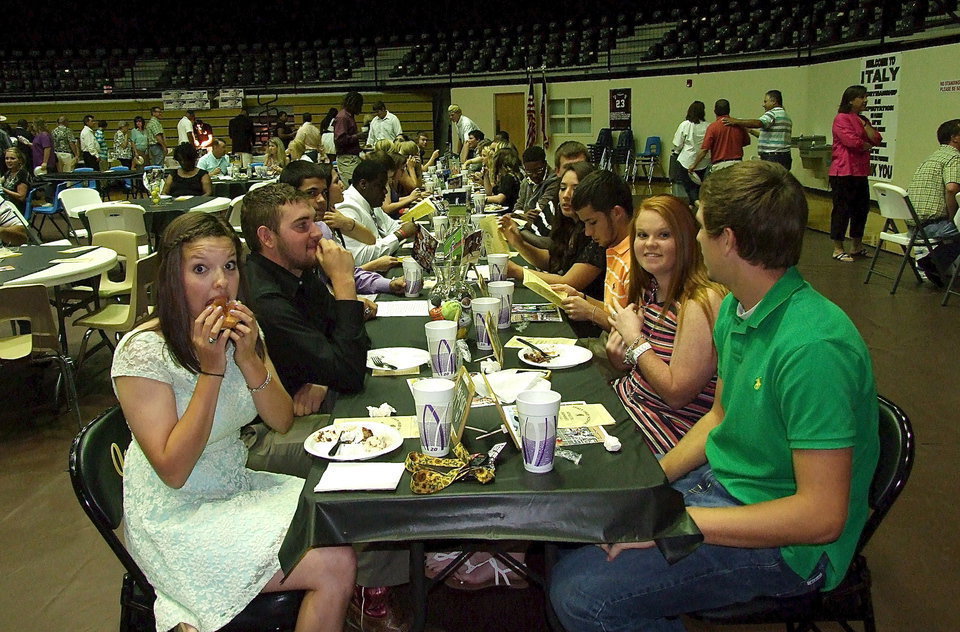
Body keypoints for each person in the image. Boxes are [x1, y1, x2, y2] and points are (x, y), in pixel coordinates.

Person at [550, 160, 879, 632]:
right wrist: (647, 483)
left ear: (729, 241)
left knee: (581, 596)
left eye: (701, 226)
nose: (695, 238)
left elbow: (820, 516)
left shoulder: (814, 348)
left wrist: (680, 521)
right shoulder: (739, 310)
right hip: (722, 487)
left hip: (789, 547)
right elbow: (719, 416)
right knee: (574, 524)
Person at [111, 211, 356, 632]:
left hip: (234, 487)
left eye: (229, 267)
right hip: (177, 514)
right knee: (334, 561)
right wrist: (211, 371)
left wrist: (247, 357)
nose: (221, 283)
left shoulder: (241, 325)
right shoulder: (142, 353)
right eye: (201, 269)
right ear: (172, 277)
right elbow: (173, 469)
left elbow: (280, 419)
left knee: (340, 516)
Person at [242, 182, 411, 632]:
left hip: (306, 401)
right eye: (302, 226)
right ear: (266, 237)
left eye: (314, 222)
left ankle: (383, 573)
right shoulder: (265, 297)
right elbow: (349, 366)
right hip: (259, 433)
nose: (317, 233)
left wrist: (322, 370)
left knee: (390, 416)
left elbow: (342, 346)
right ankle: (368, 594)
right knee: (378, 451)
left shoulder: (298, 271)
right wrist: (344, 284)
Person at [605, 194, 725, 454]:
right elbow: (640, 367)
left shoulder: (700, 300)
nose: (650, 244)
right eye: (642, 235)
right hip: (629, 406)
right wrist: (620, 356)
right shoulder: (652, 287)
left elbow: (676, 394)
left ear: (685, 239)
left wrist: (635, 341)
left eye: (663, 235)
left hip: (662, 431)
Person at [500, 161, 604, 298]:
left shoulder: (596, 233)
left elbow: (569, 282)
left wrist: (515, 271)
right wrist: (518, 242)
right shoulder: (569, 224)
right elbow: (552, 262)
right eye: (562, 188)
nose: (566, 195)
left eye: (575, 189)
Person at [553, 170, 635, 331]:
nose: (588, 232)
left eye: (592, 222)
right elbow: (615, 311)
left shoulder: (637, 261)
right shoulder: (614, 249)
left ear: (617, 213)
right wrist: (580, 297)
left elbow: (635, 334)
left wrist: (591, 312)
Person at [829, 85, 882, 262]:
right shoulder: (841, 118)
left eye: (866, 97)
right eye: (861, 97)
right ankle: (838, 248)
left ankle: (856, 245)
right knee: (842, 210)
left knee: (861, 209)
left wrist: (867, 132)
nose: (865, 100)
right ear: (851, 100)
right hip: (843, 171)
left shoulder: (862, 119)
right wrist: (866, 144)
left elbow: (877, 139)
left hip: (860, 172)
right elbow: (852, 142)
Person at [336, 156, 419, 266]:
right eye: (380, 186)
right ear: (363, 184)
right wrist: (400, 235)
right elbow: (359, 257)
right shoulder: (346, 208)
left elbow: (392, 226)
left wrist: (395, 235)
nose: (385, 191)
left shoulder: (370, 201)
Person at [906, 119, 960, 283]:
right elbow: (952, 189)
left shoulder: (931, 158)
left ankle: (935, 263)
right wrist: (951, 219)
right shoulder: (954, 158)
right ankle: (933, 262)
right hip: (931, 227)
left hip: (912, 225)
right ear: (955, 138)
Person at [724, 89, 793, 170]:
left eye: (765, 101)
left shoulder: (772, 113)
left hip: (773, 158)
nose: (763, 105)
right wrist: (750, 131)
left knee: (770, 181)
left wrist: (736, 121)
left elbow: (758, 123)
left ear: (774, 101)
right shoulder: (786, 116)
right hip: (785, 157)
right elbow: (771, 137)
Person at [689, 99, 750, 175]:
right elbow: (747, 142)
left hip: (720, 166)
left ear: (715, 111)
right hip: (738, 164)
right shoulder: (738, 125)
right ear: (729, 110)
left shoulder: (713, 127)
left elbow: (704, 150)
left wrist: (693, 165)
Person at [513, 145, 559, 237]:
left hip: (543, 232)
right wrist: (523, 215)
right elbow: (518, 206)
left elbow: (538, 213)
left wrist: (520, 215)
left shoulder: (554, 181)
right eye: (529, 171)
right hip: (526, 227)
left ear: (545, 164)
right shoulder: (526, 181)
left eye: (538, 170)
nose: (533, 175)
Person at [672, 100, 709, 204]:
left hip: (686, 161)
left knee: (689, 187)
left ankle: (697, 204)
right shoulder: (708, 126)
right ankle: (692, 207)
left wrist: (676, 151)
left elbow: (678, 143)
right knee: (698, 186)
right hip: (703, 162)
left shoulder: (685, 125)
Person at [334, 92, 365, 185]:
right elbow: (340, 139)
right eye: (360, 105)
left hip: (351, 158)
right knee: (351, 187)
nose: (361, 108)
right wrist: (358, 136)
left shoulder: (348, 116)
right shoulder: (343, 117)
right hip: (347, 159)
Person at [483, 145, 522, 210]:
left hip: (508, 211)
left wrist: (481, 199)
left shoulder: (509, 177)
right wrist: (486, 175)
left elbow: (500, 199)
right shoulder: (504, 176)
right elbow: (489, 192)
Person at [1, 146, 31, 212]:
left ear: (20, 160)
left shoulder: (23, 174)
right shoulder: (9, 172)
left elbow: (21, 197)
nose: (8, 161)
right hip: (6, 205)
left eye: (12, 158)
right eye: (7, 158)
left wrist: (3, 189)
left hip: (16, 209)